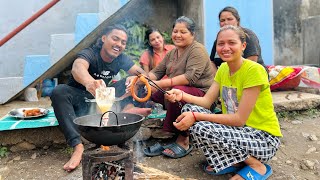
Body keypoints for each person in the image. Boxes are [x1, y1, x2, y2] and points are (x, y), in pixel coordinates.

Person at [165, 25, 282, 179]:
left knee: (200, 127)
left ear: (243, 46)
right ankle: (238, 162)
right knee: (188, 108)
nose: (225, 48)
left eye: (231, 43)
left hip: (262, 138)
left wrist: (195, 116)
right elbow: (206, 102)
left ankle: (256, 165)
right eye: (221, 44)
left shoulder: (254, 70)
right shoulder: (223, 69)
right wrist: (181, 95)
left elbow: (239, 120)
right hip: (239, 134)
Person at [50, 24, 151, 172]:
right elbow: (77, 67)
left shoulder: (121, 58)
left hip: (103, 99)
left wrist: (133, 79)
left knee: (137, 82)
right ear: (104, 38)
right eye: (115, 39)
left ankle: (127, 108)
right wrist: (89, 82)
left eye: (123, 42)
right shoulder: (90, 53)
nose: (119, 44)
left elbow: (143, 75)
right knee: (59, 91)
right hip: (82, 99)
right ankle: (78, 146)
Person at [143, 16, 214, 159]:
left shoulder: (197, 50)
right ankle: (165, 129)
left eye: (183, 32)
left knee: (176, 90)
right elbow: (156, 73)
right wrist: (144, 80)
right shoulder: (171, 52)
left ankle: (183, 140)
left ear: (192, 34)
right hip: (176, 90)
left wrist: (160, 84)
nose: (177, 35)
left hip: (200, 95)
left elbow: (189, 78)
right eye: (175, 31)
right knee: (147, 90)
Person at [210, 6, 267, 76]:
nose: (226, 22)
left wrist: (234, 77)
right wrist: (219, 77)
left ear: (237, 21)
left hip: (250, 75)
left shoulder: (248, 35)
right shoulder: (219, 39)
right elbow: (211, 62)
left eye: (229, 19)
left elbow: (252, 60)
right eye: (222, 20)